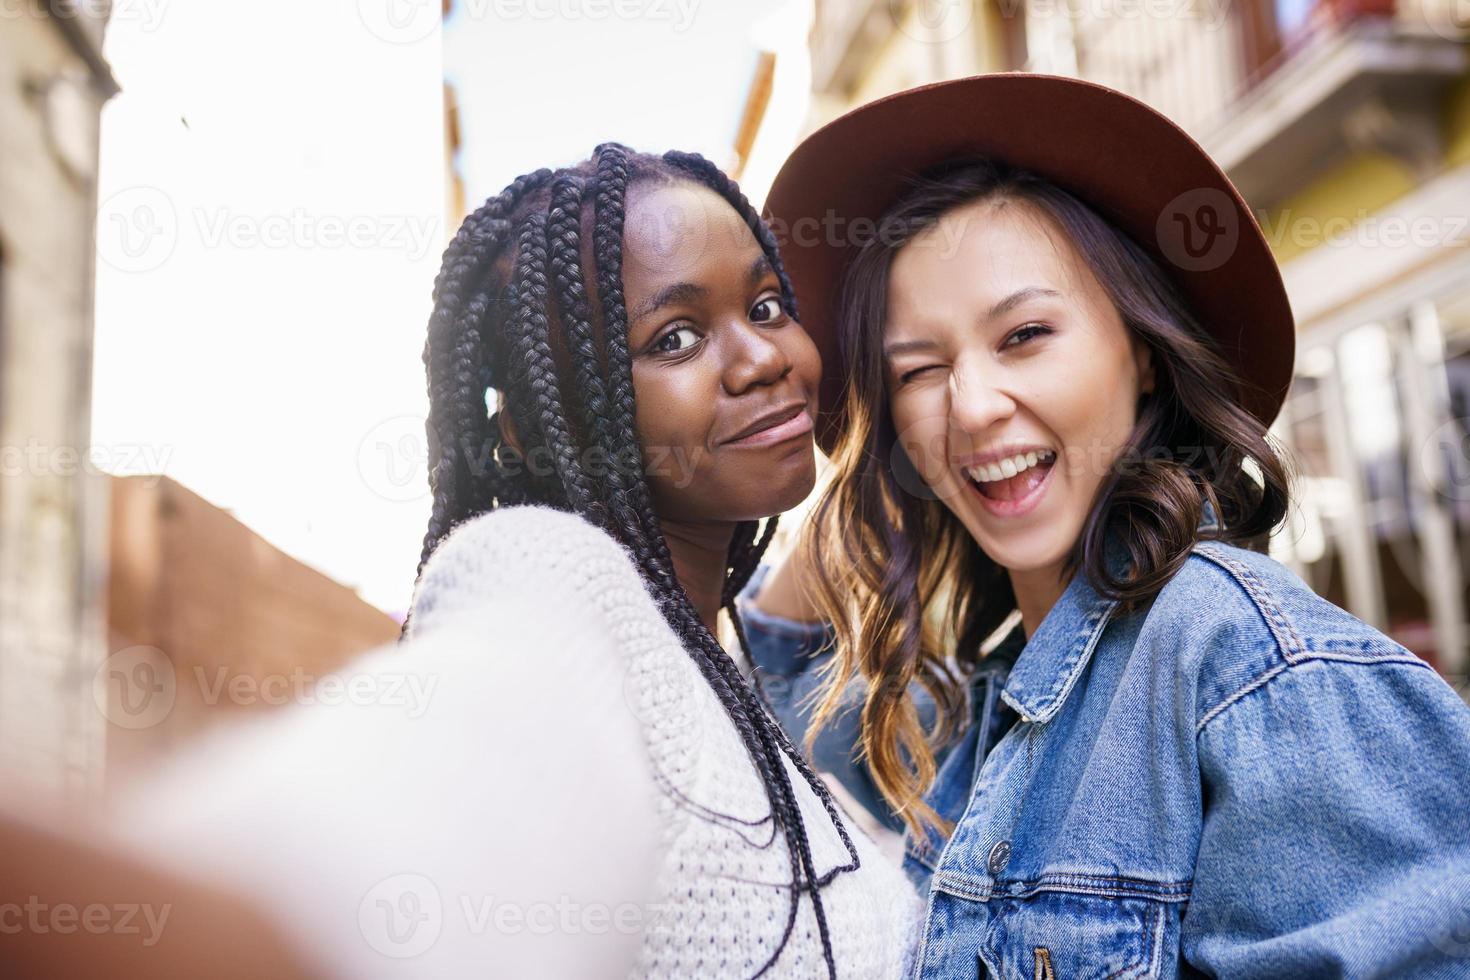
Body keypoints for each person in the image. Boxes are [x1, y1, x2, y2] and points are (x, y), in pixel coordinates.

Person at [94, 143, 918, 980]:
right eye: (674, 337)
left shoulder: (717, 668)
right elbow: (421, 789)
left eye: (769, 306)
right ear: (531, 426)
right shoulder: (551, 583)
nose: (765, 357)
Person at [741, 74, 1470, 978]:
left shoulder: (1257, 675)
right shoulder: (995, 710)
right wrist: (905, 461)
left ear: (1145, 354)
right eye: (919, 370)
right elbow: (781, 672)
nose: (971, 404)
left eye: (1024, 336)